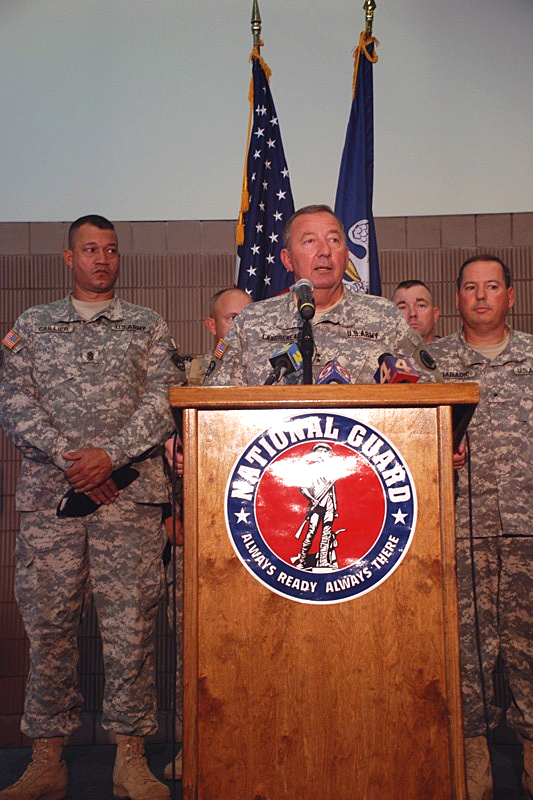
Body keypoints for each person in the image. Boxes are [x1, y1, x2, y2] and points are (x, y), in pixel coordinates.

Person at [0, 215, 180, 800]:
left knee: (131, 629)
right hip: (54, 504)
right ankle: (47, 760)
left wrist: (111, 456)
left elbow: (163, 402)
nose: (101, 259)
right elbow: (14, 401)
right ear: (67, 257)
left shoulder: (147, 326)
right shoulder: (33, 325)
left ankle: (131, 759)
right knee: (49, 627)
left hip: (127, 500)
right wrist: (70, 460)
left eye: (109, 249)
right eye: (89, 249)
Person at [428, 255, 533, 800]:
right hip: (461, 526)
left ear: (510, 295)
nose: (482, 296)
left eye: (493, 287)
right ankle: (471, 753)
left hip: (527, 529)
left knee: (529, 647)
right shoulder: (433, 362)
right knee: (465, 649)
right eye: (471, 287)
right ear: (459, 296)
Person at [162, 286, 252, 782]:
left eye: (248, 318)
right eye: (230, 319)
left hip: (255, 541)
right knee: (192, 648)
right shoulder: (185, 381)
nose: (239, 328)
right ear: (211, 326)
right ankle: (191, 745)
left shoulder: (274, 375)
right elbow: (162, 458)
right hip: (196, 540)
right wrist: (167, 518)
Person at [205, 205, 438, 386]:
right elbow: (214, 398)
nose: (325, 251)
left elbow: (432, 385)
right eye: (309, 241)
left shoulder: (384, 317)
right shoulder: (252, 321)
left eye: (333, 240)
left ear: (346, 256)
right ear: (287, 259)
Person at [182, 288, 253, 385]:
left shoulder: (272, 370)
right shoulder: (189, 374)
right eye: (233, 318)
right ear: (212, 326)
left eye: (248, 318)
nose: (242, 325)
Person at [297, 444, 338, 570]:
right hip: (316, 505)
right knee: (311, 532)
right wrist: (312, 499)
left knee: (326, 534)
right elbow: (303, 487)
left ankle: (323, 561)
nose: (322, 453)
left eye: (325, 451)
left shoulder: (331, 470)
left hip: (329, 504)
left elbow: (332, 491)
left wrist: (334, 507)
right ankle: (302, 561)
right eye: (320, 451)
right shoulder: (310, 469)